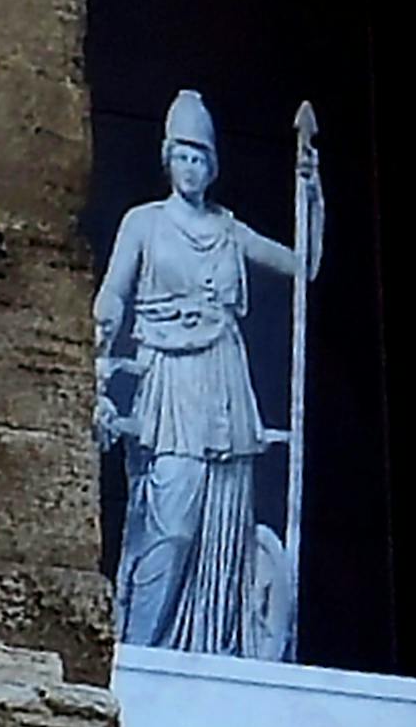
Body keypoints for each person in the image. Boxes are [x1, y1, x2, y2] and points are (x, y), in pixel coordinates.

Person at [92, 86, 319, 657]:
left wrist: (311, 194)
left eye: (200, 158)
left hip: (221, 381)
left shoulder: (229, 230)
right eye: (182, 156)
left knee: (224, 523)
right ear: (167, 158)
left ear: (212, 166)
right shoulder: (143, 223)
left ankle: (208, 648)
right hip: (168, 380)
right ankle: (141, 649)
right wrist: (100, 337)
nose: (191, 168)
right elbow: (113, 293)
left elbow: (301, 266)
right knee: (171, 522)